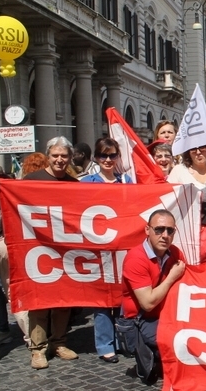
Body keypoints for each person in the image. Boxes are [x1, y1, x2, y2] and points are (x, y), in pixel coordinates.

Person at [22, 137, 79, 369]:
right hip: (37, 250)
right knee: (39, 300)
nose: (59, 160)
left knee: (63, 299)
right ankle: (37, 349)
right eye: (55, 155)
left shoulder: (73, 183)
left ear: (70, 158)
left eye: (64, 156)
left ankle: (59, 342)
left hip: (64, 251)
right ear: (48, 156)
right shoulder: (31, 180)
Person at [78, 138, 133, 363]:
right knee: (101, 300)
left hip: (122, 247)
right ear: (96, 158)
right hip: (97, 249)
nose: (108, 160)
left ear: (118, 157)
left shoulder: (126, 181)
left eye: (112, 156)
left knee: (123, 296)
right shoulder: (87, 182)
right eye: (103, 156)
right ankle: (104, 344)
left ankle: (121, 339)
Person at [120, 210, 185, 372]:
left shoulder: (175, 252)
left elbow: (190, 283)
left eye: (170, 230)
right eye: (159, 229)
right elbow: (147, 303)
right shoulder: (136, 258)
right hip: (141, 319)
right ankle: (153, 353)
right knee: (177, 341)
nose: (165, 235)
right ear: (147, 230)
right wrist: (171, 277)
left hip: (165, 314)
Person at [0, 151, 28, 365]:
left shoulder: (0, 183)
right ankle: (33, 341)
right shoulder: (2, 183)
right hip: (5, 244)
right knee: (15, 295)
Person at [167, 137, 206, 261]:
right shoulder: (179, 171)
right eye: (193, 149)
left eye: (202, 147)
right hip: (188, 231)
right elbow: (169, 199)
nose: (198, 152)